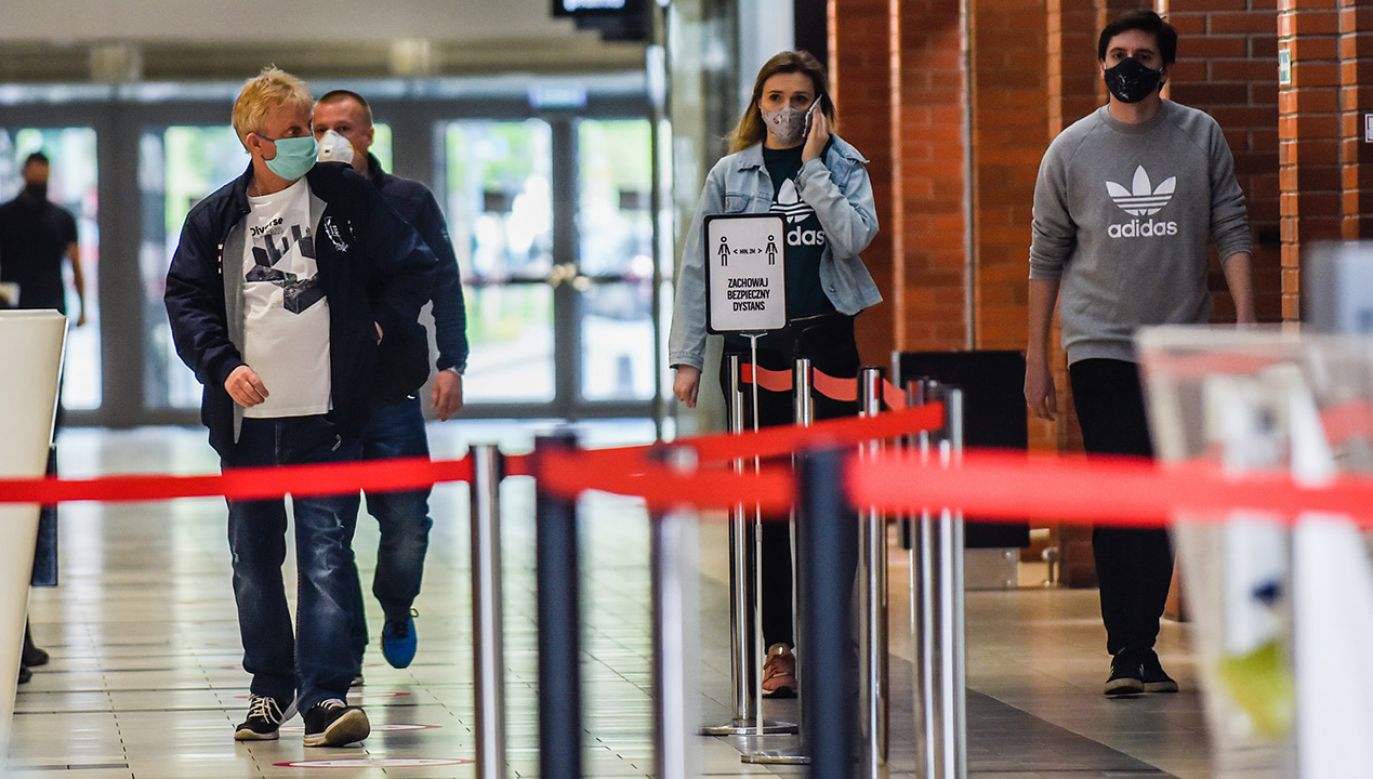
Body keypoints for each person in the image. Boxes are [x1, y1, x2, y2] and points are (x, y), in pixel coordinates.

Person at [164, 67, 436, 746]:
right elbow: (186, 301)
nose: (309, 142)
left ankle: (324, 695)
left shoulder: (343, 198)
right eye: (294, 132)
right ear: (256, 143)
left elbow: (415, 263)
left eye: (310, 124)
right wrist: (223, 368)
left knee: (325, 555)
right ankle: (268, 688)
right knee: (252, 560)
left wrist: (376, 324)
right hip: (246, 428)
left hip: (328, 422)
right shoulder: (215, 218)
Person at [1024, 10, 1254, 697]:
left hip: (1180, 342)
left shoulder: (1198, 135)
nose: (1128, 63)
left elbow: (1231, 225)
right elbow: (1045, 257)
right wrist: (1036, 356)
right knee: (1120, 490)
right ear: (1100, 65)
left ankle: (1143, 637)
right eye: (1117, 53)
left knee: (1164, 495)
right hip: (1098, 345)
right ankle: (1124, 646)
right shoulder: (1069, 150)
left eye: (1142, 54)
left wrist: (1245, 320)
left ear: (1164, 68)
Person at [667, 50, 880, 698]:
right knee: (768, 504)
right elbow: (699, 267)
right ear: (756, 104)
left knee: (833, 500)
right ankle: (778, 645)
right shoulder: (730, 174)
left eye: (799, 97)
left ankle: (829, 629)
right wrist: (688, 355)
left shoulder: (845, 165)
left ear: (818, 105)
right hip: (759, 354)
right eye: (774, 96)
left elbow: (852, 238)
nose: (786, 109)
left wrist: (813, 167)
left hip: (829, 346)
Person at [312, 89, 469, 674]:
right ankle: (342, 649)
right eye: (321, 127)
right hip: (323, 400)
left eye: (345, 127)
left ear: (368, 135)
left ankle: (397, 605)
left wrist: (453, 361)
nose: (333, 137)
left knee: (405, 525)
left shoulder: (407, 199)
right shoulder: (299, 199)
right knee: (328, 533)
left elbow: (443, 280)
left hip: (392, 394)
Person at [0, 150, 87, 685]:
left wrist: (82, 302)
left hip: (42, 320)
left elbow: (75, 259)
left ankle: (20, 637)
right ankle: (18, 637)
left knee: (32, 465)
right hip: (13, 322)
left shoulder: (60, 216)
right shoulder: (7, 215)